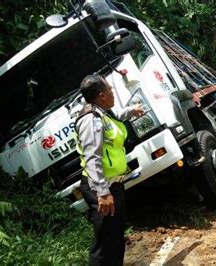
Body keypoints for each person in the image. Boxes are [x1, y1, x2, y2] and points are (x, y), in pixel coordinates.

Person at [76, 74, 144, 265]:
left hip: (113, 185)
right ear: (101, 95)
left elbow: (118, 117)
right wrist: (103, 192)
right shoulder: (91, 119)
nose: (112, 92)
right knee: (105, 242)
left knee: (115, 238)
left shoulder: (103, 112)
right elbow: (92, 158)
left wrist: (132, 111)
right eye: (110, 90)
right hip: (101, 187)